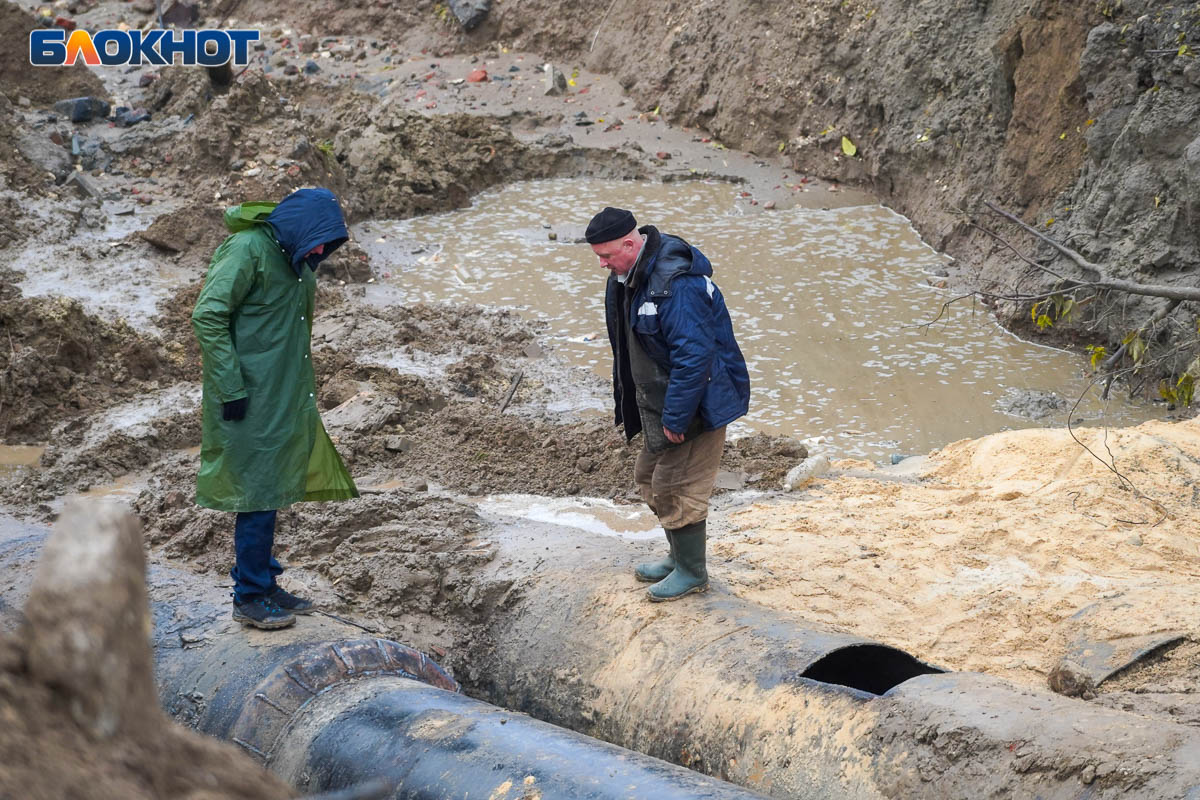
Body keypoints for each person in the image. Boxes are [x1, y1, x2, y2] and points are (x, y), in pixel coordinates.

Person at [192, 187, 359, 630]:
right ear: (296, 227)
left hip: (284, 393)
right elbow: (208, 315)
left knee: (275, 485)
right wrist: (230, 387)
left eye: (328, 242)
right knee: (257, 493)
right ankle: (248, 595)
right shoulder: (247, 248)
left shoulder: (298, 258)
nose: (322, 250)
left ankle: (265, 583)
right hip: (246, 395)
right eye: (318, 238)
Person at [588, 206, 750, 601]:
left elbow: (694, 358)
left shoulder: (676, 285)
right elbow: (630, 351)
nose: (603, 265)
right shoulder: (629, 277)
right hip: (664, 403)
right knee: (649, 478)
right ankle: (679, 558)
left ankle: (693, 573)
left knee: (676, 487)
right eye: (599, 258)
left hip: (698, 404)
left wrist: (677, 416)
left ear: (630, 243)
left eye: (607, 256)